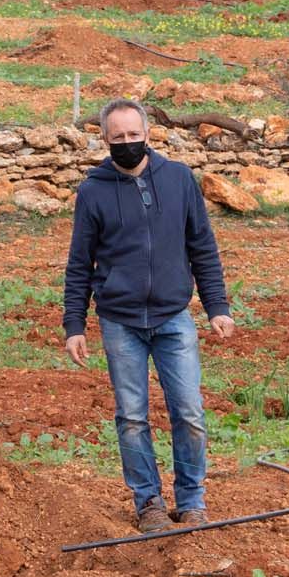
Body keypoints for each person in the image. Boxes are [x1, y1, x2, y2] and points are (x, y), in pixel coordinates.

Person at [62, 98, 236, 533]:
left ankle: (192, 500)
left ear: (147, 134)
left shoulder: (178, 180)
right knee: (133, 418)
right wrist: (73, 324)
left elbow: (202, 247)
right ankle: (149, 504)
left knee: (190, 412)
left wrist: (217, 306)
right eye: (117, 138)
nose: (127, 144)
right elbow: (79, 263)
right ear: (105, 139)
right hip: (120, 321)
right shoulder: (93, 191)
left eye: (133, 136)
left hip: (173, 316)